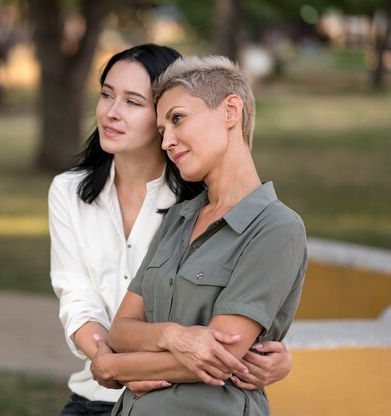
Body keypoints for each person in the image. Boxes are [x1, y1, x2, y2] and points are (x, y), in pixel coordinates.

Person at [49, 45, 294, 416]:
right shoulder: (74, 193)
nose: (111, 113)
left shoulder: (210, 204)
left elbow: (236, 333)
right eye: (105, 95)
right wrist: (111, 361)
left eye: (133, 102)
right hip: (100, 394)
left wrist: (117, 366)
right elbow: (82, 301)